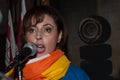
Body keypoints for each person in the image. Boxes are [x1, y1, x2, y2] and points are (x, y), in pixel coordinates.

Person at [19, 5, 90, 80]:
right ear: (26, 37)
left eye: (47, 29)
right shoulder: (14, 73)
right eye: (32, 30)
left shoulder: (76, 76)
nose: (38, 36)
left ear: (59, 36)